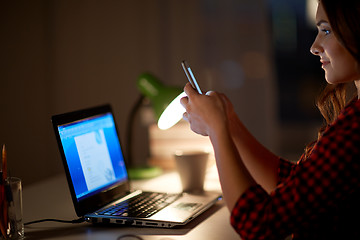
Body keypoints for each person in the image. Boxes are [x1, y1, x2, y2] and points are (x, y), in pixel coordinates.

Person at [180, 1, 360, 239]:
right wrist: (230, 123)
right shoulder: (353, 115)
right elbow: (298, 186)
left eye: (326, 30)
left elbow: (258, 225)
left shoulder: (354, 130)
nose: (314, 47)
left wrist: (217, 129)